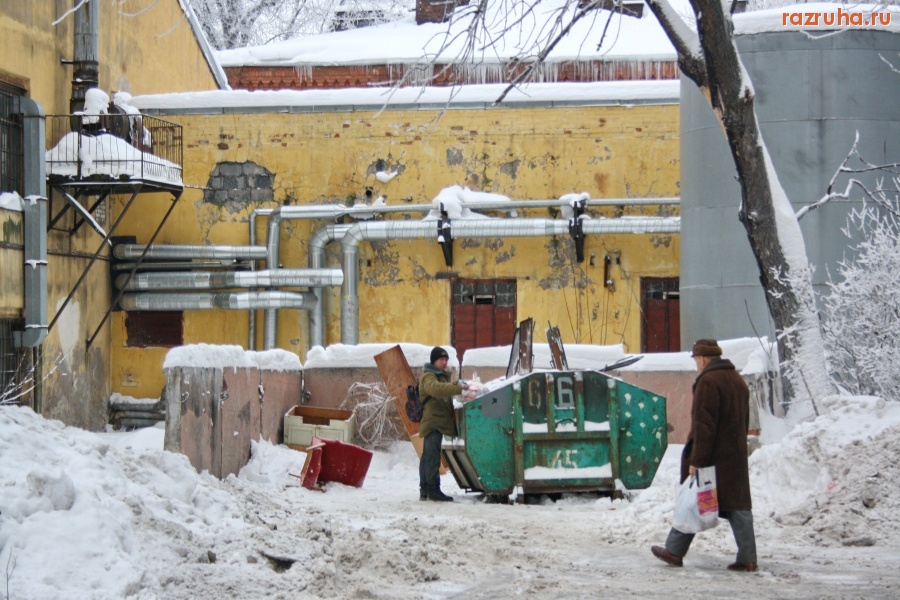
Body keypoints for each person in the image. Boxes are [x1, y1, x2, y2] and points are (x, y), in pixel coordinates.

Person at [651, 339, 758, 572]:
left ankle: (674, 551)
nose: (695, 364)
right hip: (734, 457)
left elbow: (704, 426)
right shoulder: (737, 381)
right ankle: (748, 558)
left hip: (712, 457)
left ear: (702, 358)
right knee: (737, 505)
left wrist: (697, 460)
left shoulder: (708, 381)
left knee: (692, 502)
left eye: (696, 360)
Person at [418, 346, 469, 502]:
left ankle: (425, 490)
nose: (444, 362)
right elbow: (436, 390)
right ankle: (433, 491)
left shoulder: (438, 376)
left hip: (436, 422)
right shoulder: (428, 377)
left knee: (428, 457)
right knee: (432, 458)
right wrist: (458, 388)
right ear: (434, 361)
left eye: (446, 359)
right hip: (433, 422)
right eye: (441, 359)